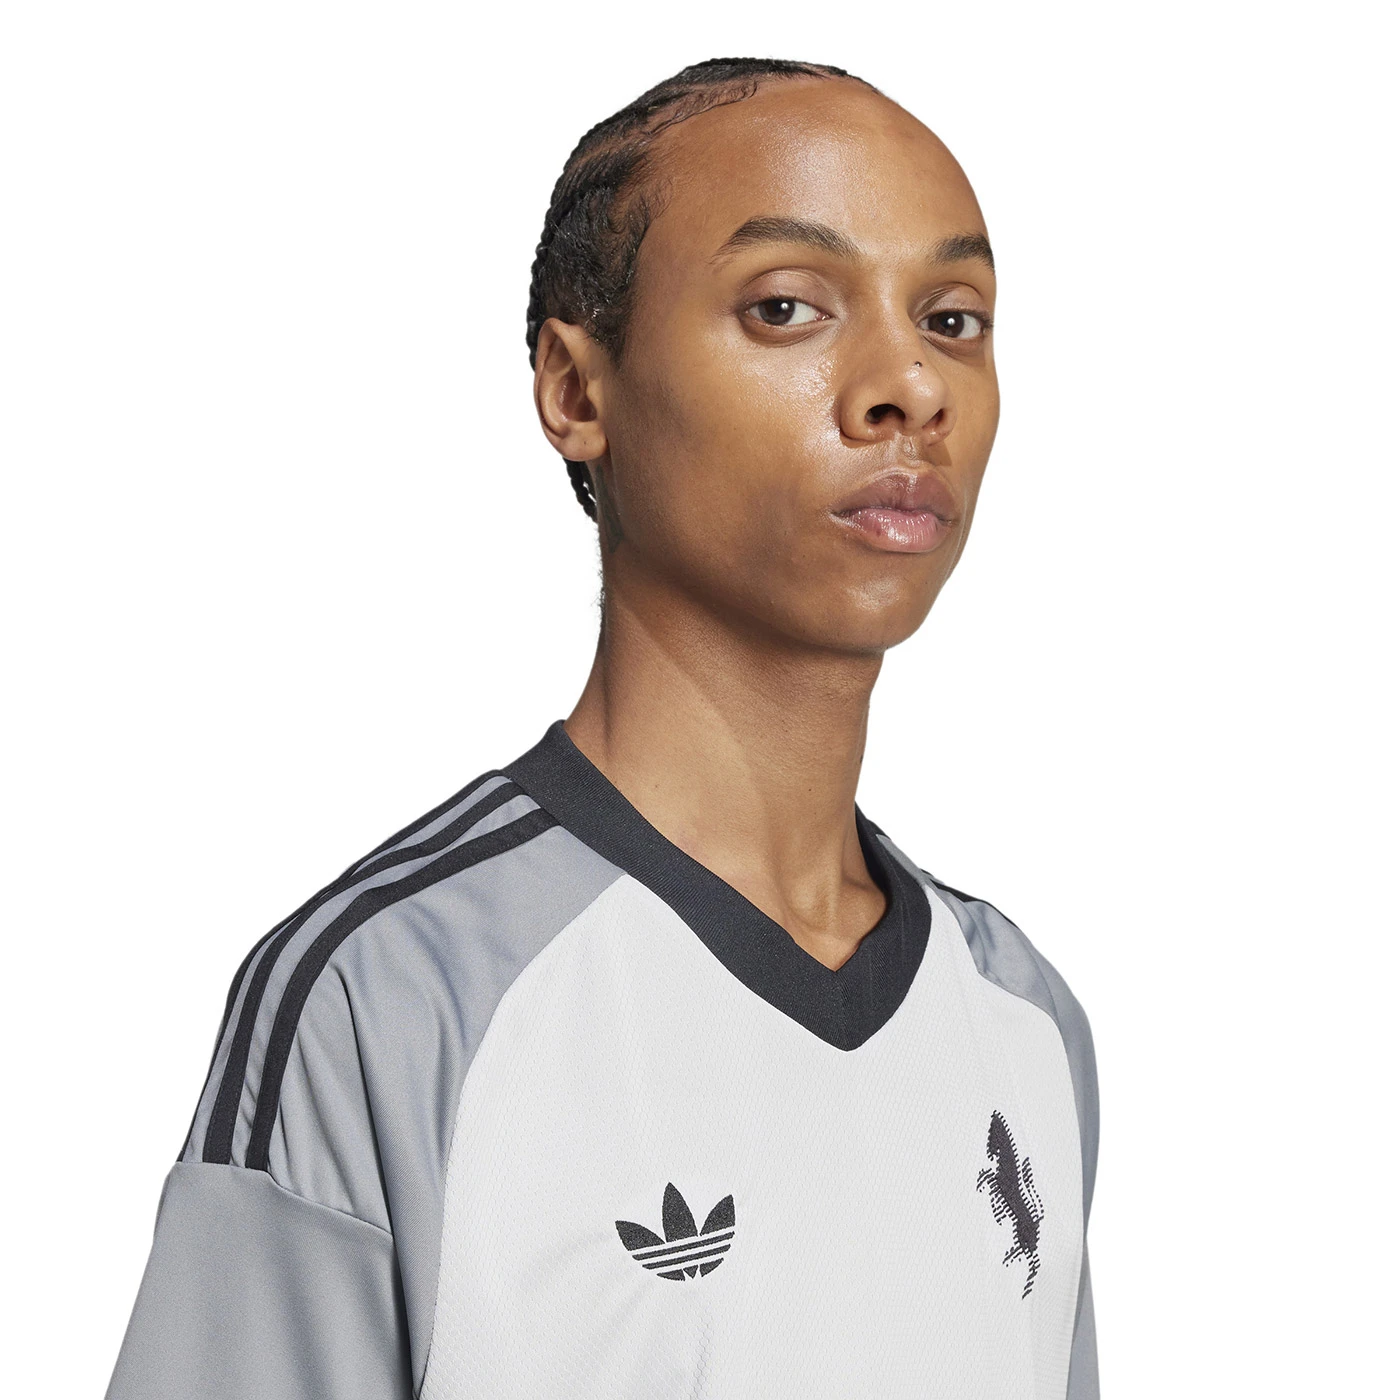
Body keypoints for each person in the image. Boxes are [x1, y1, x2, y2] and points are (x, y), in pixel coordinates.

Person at [106, 55, 1100, 1400]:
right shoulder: (391, 1000)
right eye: (787, 307)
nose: (909, 387)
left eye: (953, 319)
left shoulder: (1022, 1020)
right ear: (577, 391)